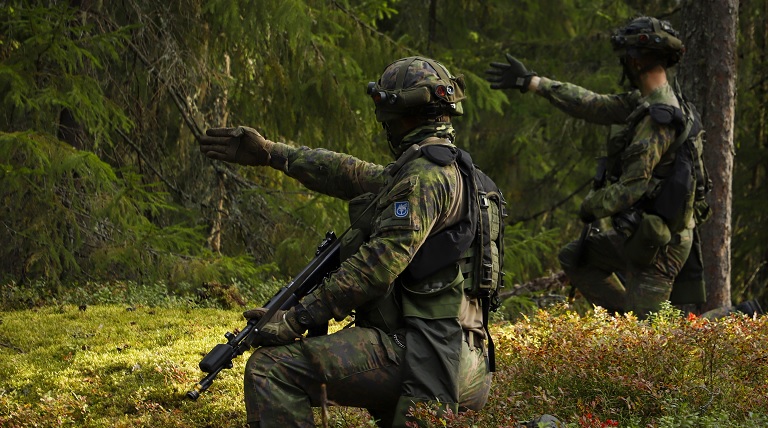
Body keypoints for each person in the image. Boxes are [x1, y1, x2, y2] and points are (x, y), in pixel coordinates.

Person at [199, 56, 504, 427]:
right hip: (464, 358)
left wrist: (295, 320)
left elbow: (375, 267)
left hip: (426, 355)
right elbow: (348, 173)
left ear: (399, 115)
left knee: (270, 370)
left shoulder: (424, 179)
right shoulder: (458, 174)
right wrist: (271, 153)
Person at [485, 16, 708, 319]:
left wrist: (591, 205)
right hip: (639, 233)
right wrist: (533, 83)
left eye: (625, 59)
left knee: (650, 347)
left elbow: (633, 187)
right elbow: (594, 104)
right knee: (577, 259)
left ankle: (727, 320)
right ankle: (624, 325)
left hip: (659, 246)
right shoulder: (647, 102)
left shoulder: (659, 118)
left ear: (635, 61)